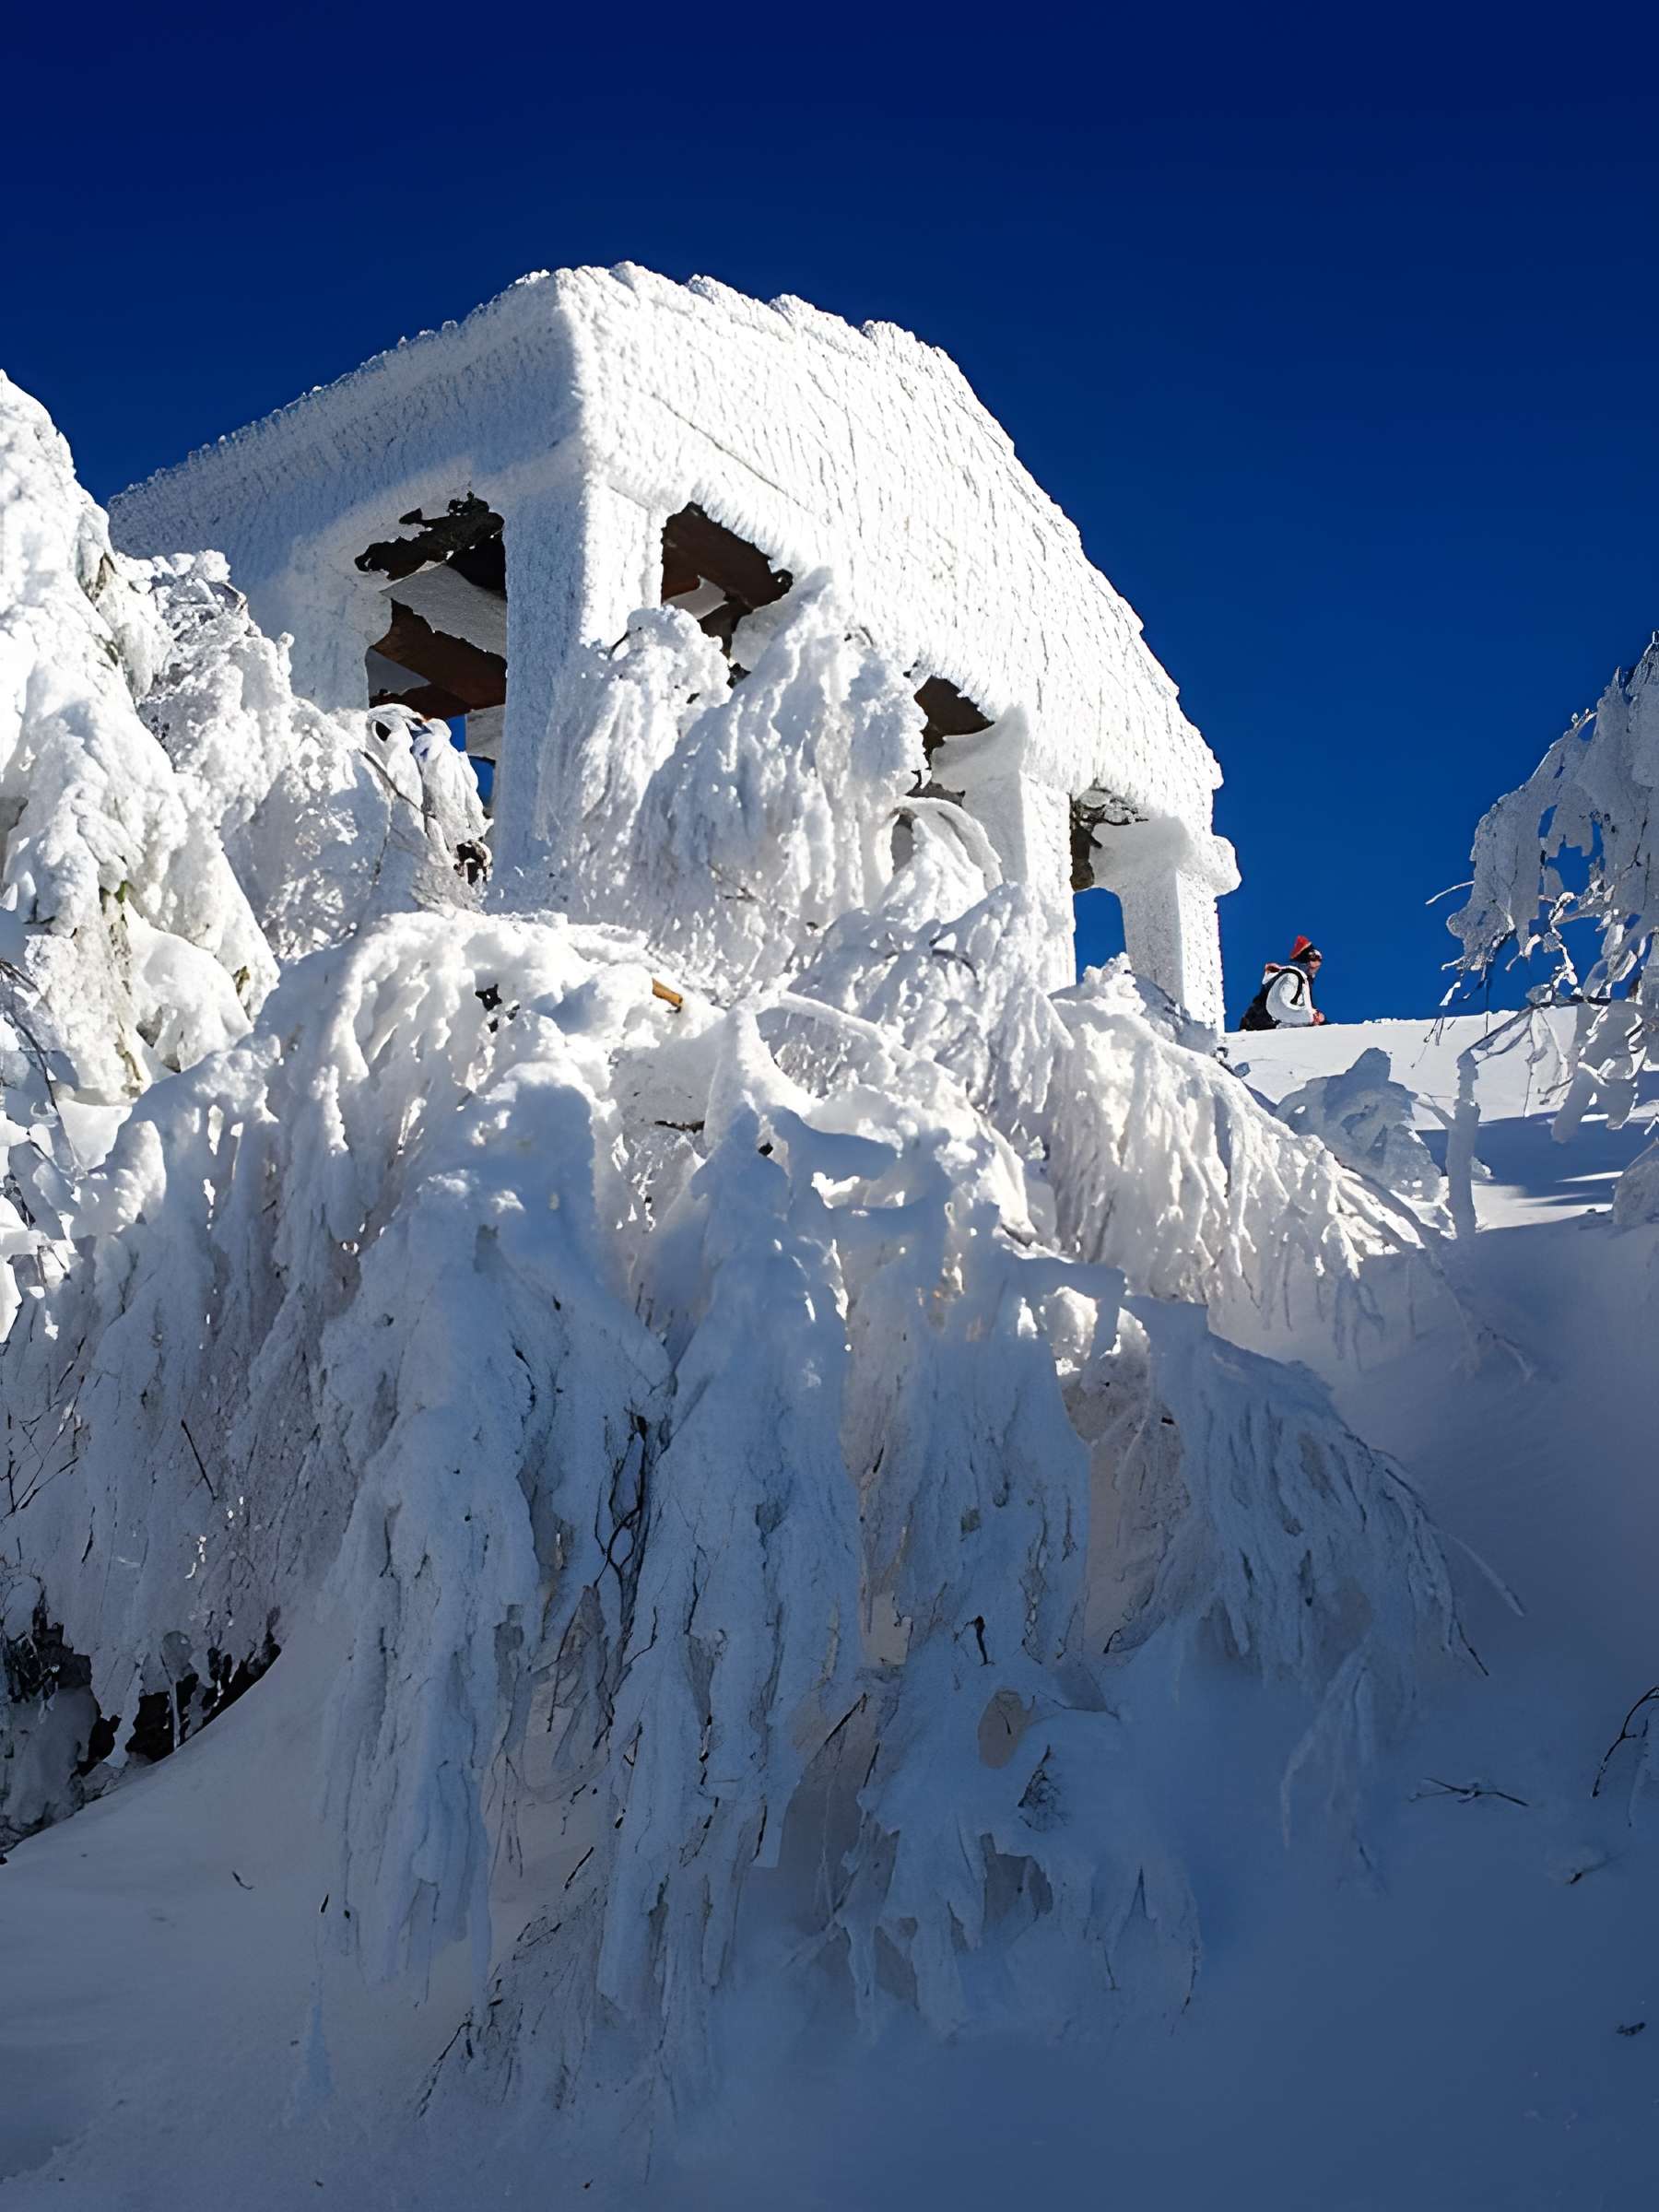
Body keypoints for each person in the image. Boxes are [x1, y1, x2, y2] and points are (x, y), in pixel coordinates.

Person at [1239, 936, 1325, 1030]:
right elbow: (1279, 1006)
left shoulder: (1301, 983)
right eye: (1314, 958)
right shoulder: (1292, 977)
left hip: (1268, 1031)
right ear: (1305, 960)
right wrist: (1311, 1016)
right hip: (1259, 1030)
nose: (1316, 966)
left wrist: (1319, 1021)